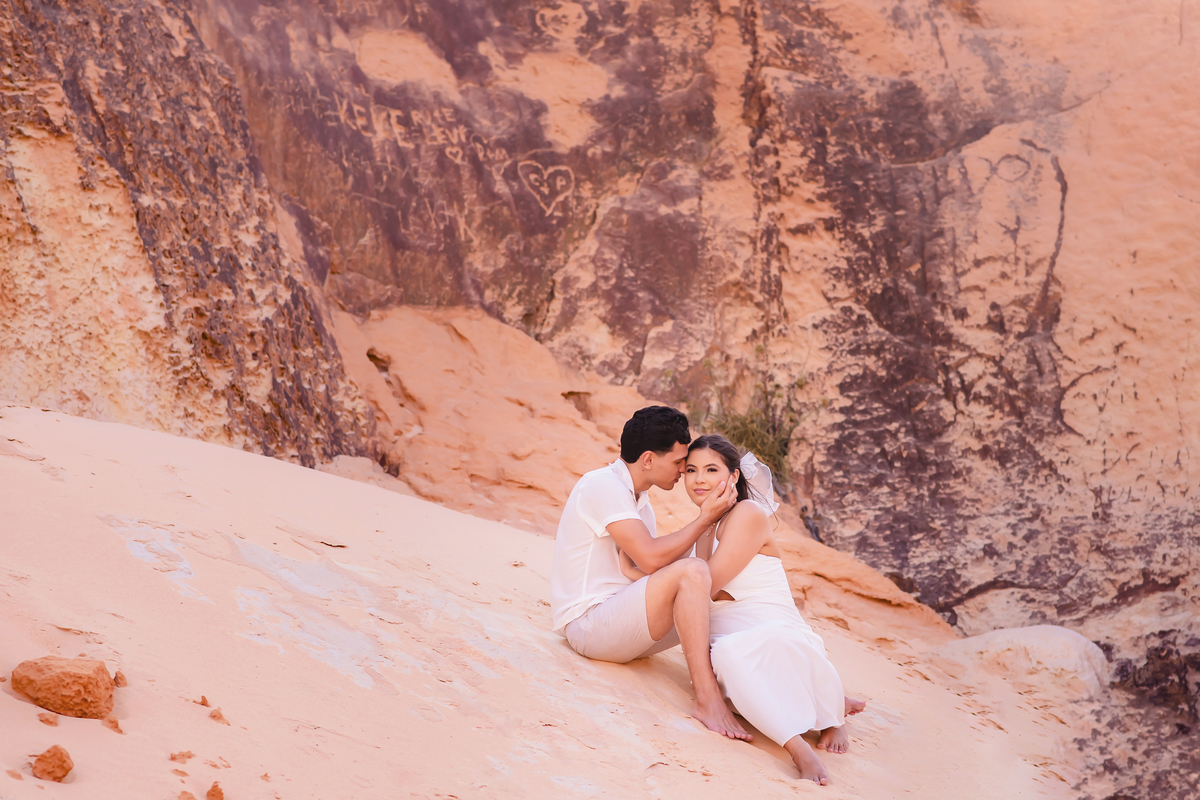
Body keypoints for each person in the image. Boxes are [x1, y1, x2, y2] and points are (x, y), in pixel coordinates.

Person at [620, 433, 865, 785]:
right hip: (728, 640)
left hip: (771, 629)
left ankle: (805, 742)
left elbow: (705, 586)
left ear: (733, 476)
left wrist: (636, 575)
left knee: (736, 654)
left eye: (711, 470)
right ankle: (828, 703)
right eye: (691, 470)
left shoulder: (747, 514)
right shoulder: (704, 526)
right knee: (728, 656)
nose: (699, 479)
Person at [550, 406, 751, 740]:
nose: (683, 470)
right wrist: (704, 518)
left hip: (621, 621)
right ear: (647, 459)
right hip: (589, 626)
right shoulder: (601, 485)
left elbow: (650, 567)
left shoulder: (639, 502)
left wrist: (709, 519)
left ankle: (778, 689)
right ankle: (707, 698)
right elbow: (652, 558)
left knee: (722, 601)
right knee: (695, 573)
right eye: (679, 462)